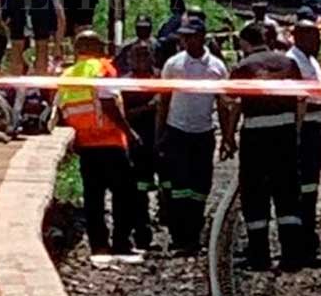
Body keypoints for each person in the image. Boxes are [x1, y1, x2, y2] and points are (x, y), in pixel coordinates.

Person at [225, 25, 305, 271]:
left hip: (256, 133)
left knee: (255, 192)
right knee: (287, 191)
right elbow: (301, 99)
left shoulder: (242, 67)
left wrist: (229, 136)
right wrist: (297, 130)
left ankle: (259, 255)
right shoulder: (288, 63)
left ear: (245, 43)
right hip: (285, 130)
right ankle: (292, 254)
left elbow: (233, 105)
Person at [55, 30, 139, 256]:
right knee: (124, 194)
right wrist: (129, 132)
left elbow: (60, 111)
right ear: (97, 48)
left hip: (85, 144)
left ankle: (99, 244)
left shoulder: (68, 75)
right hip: (110, 141)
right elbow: (108, 101)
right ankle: (121, 242)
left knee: (94, 198)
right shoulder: (102, 68)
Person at [157, 17, 230, 254]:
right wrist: (160, 133)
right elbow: (164, 100)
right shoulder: (173, 65)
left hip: (203, 133)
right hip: (177, 131)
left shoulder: (217, 67)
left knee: (200, 186)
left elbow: (224, 104)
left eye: (191, 36)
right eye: (183, 37)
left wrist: (228, 138)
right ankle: (180, 237)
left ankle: (194, 234)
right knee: (179, 186)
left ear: (202, 37)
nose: (186, 41)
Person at [286, 20, 321, 267]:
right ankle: (301, 246)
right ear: (300, 37)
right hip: (304, 132)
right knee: (304, 191)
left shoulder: (310, 60)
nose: (318, 42)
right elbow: (296, 101)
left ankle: (307, 242)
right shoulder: (293, 61)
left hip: (315, 130)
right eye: (313, 37)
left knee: (310, 190)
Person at [119, 40, 160, 250]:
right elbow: (122, 113)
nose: (142, 60)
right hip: (136, 142)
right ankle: (141, 230)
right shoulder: (125, 84)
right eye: (138, 56)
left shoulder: (161, 79)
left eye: (146, 55)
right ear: (129, 59)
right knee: (138, 189)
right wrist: (149, 107)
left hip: (161, 140)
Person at [1, 0, 65, 75]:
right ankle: (41, 86)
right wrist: (57, 45)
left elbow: (3, 18)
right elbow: (60, 16)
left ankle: (18, 89)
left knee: (17, 46)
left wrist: (11, 38)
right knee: (42, 45)